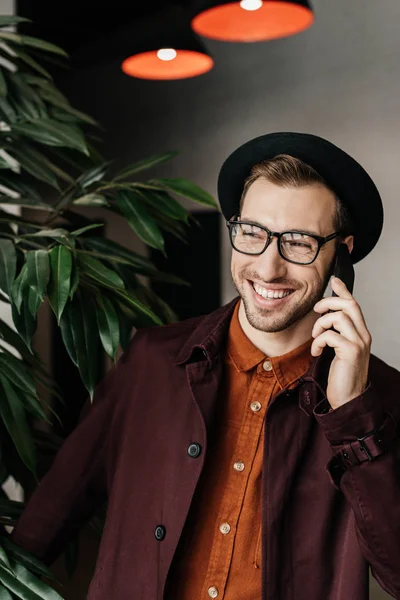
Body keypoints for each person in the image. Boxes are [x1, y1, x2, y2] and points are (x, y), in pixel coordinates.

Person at [11, 132, 400, 600]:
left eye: (298, 242)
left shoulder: (380, 399)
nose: (268, 267)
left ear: (342, 252)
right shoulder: (152, 361)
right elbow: (50, 515)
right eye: (253, 233)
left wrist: (353, 420)